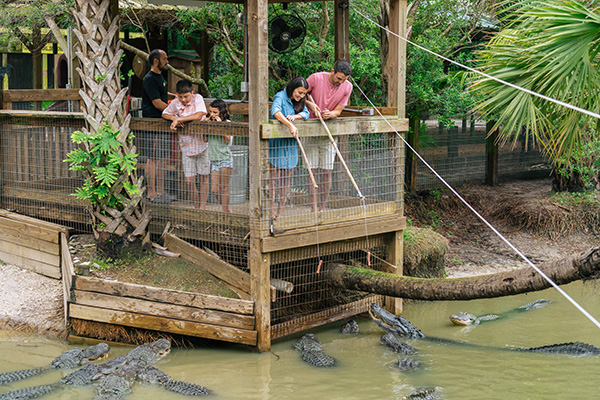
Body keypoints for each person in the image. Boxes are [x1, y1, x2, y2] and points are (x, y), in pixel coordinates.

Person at [304, 59, 353, 212]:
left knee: (326, 171)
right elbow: (297, 94)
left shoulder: (347, 87)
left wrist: (330, 114)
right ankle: (313, 208)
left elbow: (338, 111)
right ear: (332, 71)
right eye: (338, 78)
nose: (340, 82)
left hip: (328, 130)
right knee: (312, 171)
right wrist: (310, 104)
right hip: (310, 129)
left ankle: (323, 207)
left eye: (344, 79)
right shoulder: (315, 78)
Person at [162, 79, 209, 209]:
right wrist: (173, 118)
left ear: (192, 93)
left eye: (186, 96)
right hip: (186, 146)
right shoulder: (176, 103)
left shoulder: (197, 98)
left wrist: (179, 119)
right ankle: (196, 207)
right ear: (177, 95)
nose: (183, 100)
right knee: (189, 180)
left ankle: (203, 208)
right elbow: (165, 113)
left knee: (203, 176)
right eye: (181, 97)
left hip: (201, 145)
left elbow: (198, 114)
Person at [269, 77, 310, 219]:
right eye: (299, 92)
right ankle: (270, 211)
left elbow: (306, 113)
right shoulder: (280, 96)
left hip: (291, 146)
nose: (301, 96)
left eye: (304, 94)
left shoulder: (299, 102)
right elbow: (275, 111)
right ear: (292, 88)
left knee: (285, 181)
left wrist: (295, 117)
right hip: (277, 145)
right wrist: (289, 124)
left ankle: (280, 213)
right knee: (273, 180)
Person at [141, 49, 175, 204]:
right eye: (165, 58)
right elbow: (157, 103)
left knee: (162, 158)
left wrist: (174, 97)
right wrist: (175, 113)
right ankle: (151, 192)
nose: (167, 61)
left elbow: (161, 93)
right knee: (152, 158)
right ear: (156, 61)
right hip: (152, 123)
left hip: (162, 124)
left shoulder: (159, 77)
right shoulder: (149, 79)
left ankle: (161, 191)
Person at [203, 99, 233, 213]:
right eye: (210, 112)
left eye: (215, 112)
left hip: (225, 158)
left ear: (221, 112)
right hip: (214, 159)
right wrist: (206, 126)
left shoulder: (227, 123)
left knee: (224, 188)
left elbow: (227, 141)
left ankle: (225, 211)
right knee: (215, 190)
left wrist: (220, 125)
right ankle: (226, 209)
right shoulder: (210, 123)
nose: (212, 115)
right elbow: (204, 139)